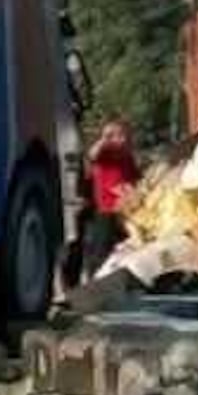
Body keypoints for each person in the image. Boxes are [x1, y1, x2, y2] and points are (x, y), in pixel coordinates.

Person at [82, 118, 141, 277]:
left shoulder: (127, 156)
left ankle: (121, 275)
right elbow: (92, 155)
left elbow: (134, 178)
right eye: (118, 135)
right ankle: (94, 278)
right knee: (101, 247)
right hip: (106, 209)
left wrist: (133, 191)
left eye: (125, 135)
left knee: (126, 246)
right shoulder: (105, 153)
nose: (123, 139)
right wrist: (103, 140)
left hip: (124, 209)